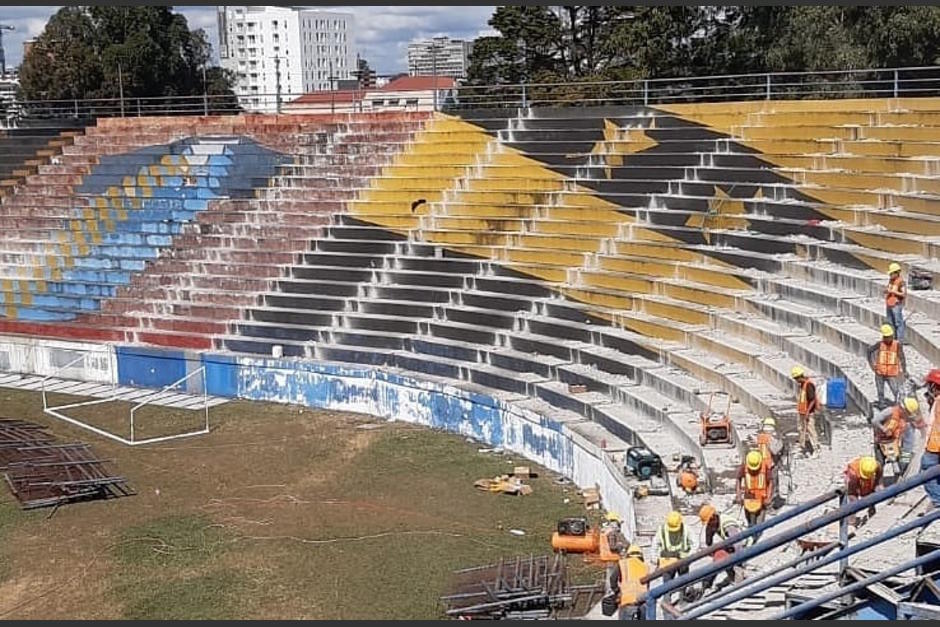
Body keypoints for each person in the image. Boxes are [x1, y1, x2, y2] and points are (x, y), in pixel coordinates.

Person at [699, 505, 746, 590]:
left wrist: (741, 561)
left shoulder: (728, 525)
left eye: (709, 522)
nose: (709, 524)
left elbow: (738, 544)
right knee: (719, 556)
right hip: (731, 544)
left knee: (734, 564)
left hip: (742, 545)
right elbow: (708, 542)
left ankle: (738, 583)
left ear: (714, 517)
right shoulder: (715, 522)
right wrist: (709, 531)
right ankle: (708, 583)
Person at [872, 397, 921, 477]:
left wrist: (905, 460)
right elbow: (875, 421)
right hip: (881, 441)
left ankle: (898, 477)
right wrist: (884, 429)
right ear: (903, 409)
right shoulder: (890, 411)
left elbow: (908, 444)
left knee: (897, 465)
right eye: (907, 413)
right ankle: (878, 481)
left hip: (894, 443)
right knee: (879, 464)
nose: (907, 416)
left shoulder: (907, 423)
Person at [867, 324, 907, 409]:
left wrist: (904, 371)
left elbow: (902, 358)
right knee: (880, 391)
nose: (888, 339)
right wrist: (872, 365)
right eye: (886, 337)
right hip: (880, 372)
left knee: (896, 390)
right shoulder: (879, 344)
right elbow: (869, 351)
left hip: (892, 373)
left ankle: (899, 405)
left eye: (890, 337)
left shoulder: (897, 345)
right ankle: (881, 405)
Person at [654, 511, 695, 586]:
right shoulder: (662, 530)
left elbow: (695, 543)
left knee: (684, 582)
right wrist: (656, 560)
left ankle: (683, 591)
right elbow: (654, 546)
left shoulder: (686, 529)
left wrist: (689, 557)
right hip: (668, 560)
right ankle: (668, 593)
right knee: (667, 584)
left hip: (682, 560)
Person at [608, 544, 649, 620]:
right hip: (642, 603)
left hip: (627, 602)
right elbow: (647, 586)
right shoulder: (646, 567)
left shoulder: (622, 564)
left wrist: (617, 591)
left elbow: (613, 579)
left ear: (628, 554)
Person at [735, 450, 774, 527]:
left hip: (762, 500)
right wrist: (738, 495)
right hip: (748, 498)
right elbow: (738, 479)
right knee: (750, 524)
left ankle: (757, 533)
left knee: (759, 525)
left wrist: (769, 497)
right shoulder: (744, 466)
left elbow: (770, 483)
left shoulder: (765, 467)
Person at [844, 456, 882, 525]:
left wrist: (877, 484)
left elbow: (879, 473)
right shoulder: (853, 472)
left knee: (870, 492)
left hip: (867, 478)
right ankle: (851, 519)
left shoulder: (875, 465)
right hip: (854, 479)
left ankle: (872, 510)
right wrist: (856, 504)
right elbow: (852, 493)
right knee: (853, 500)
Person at [791, 366, 820, 457]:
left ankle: (816, 449)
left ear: (799, 377)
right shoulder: (803, 385)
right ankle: (802, 446)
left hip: (808, 413)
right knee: (801, 429)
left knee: (811, 430)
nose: (796, 381)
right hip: (802, 412)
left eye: (796, 379)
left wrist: (807, 412)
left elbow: (812, 400)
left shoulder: (809, 385)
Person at [921, 381, 940, 511]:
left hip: (934, 445)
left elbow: (931, 424)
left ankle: (938, 502)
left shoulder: (938, 402)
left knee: (927, 472)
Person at [599, 511, 629, 594]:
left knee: (611, 577)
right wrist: (621, 545)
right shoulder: (611, 533)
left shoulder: (606, 532)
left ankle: (610, 592)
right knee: (612, 577)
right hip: (613, 558)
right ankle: (611, 592)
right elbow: (612, 547)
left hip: (610, 558)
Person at [756, 417, 785, 498]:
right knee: (773, 481)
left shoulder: (760, 437)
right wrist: (780, 442)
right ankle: (773, 496)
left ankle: (764, 495)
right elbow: (774, 451)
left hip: (761, 463)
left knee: (764, 481)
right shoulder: (770, 438)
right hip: (770, 464)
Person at [885, 262, 906, 343]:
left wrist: (894, 292)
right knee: (890, 323)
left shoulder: (901, 282)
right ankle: (893, 339)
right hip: (889, 304)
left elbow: (903, 294)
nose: (890, 275)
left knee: (898, 322)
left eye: (891, 273)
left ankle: (900, 340)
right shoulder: (891, 280)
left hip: (896, 305)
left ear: (896, 273)